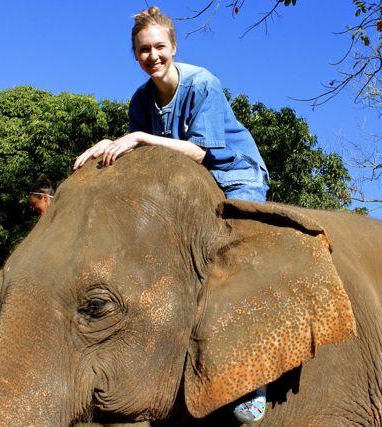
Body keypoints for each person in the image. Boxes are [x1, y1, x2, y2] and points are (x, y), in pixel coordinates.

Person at [73, 6, 269, 423]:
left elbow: (200, 152)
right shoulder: (141, 101)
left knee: (237, 265)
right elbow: (141, 160)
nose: (153, 56)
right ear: (135, 55)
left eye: (160, 47)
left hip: (234, 177)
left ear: (174, 47)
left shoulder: (202, 85)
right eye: (144, 50)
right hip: (181, 190)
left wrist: (139, 137)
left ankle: (254, 380)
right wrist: (107, 145)